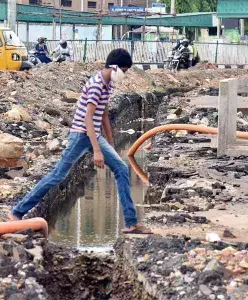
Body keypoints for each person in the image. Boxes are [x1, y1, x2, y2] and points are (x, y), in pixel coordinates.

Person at [8, 49, 152, 235]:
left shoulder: (107, 85)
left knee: (121, 169)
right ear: (114, 67)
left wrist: (110, 142)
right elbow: (88, 119)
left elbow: (104, 115)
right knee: (58, 175)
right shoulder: (96, 85)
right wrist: (98, 151)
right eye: (124, 70)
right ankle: (17, 211)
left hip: (93, 135)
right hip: (81, 135)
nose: (125, 75)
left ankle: (131, 223)